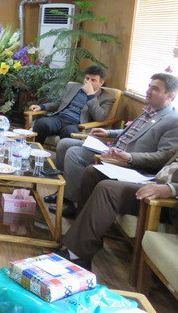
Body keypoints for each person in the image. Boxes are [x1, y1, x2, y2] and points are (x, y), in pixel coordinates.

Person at [49, 73, 178, 218]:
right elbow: (134, 133)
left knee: (74, 153)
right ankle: (64, 192)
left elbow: (164, 157)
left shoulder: (173, 120)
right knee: (64, 143)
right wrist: (108, 132)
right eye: (149, 86)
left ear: (170, 96)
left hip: (125, 162)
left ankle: (72, 202)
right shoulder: (150, 110)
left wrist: (129, 157)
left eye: (155, 89)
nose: (148, 91)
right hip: (112, 150)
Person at [57, 146, 178, 270]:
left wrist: (171, 189)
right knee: (93, 172)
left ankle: (76, 256)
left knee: (108, 189)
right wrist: (129, 157)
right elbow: (165, 156)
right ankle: (82, 238)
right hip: (152, 181)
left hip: (168, 199)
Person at [28, 65, 115, 144]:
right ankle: (36, 151)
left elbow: (100, 117)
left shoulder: (107, 97)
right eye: (87, 78)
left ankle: (61, 157)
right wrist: (41, 107)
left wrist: (90, 95)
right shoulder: (73, 87)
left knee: (68, 132)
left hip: (78, 125)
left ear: (101, 83)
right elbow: (59, 103)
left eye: (93, 80)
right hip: (60, 118)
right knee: (42, 123)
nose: (88, 82)